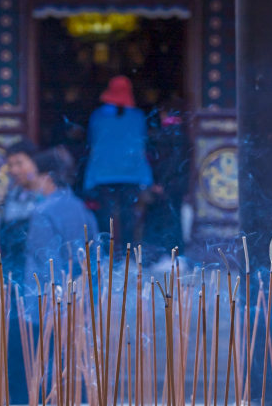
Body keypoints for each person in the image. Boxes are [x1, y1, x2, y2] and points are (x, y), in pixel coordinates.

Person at [83, 75, 152, 248]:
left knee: (106, 216)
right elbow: (142, 144)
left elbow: (92, 143)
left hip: (103, 173)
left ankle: (109, 253)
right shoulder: (138, 116)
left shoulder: (97, 116)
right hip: (132, 173)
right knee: (129, 215)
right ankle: (129, 252)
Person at [26, 147, 99, 294]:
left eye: (34, 175)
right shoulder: (79, 205)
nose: (31, 180)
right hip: (82, 291)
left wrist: (58, 291)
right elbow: (96, 250)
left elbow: (46, 258)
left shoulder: (43, 211)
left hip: (51, 295)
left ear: (47, 177)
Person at [143, 97, 191, 263]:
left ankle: (171, 255)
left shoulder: (169, 133)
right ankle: (176, 255)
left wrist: (161, 182)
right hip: (177, 183)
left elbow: (170, 161)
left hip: (169, 184)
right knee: (174, 217)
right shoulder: (181, 132)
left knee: (169, 219)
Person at [0, 139, 42, 287]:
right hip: (15, 271)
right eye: (10, 165)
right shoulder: (12, 195)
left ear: (35, 162)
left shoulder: (48, 195)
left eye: (19, 163)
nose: (14, 170)